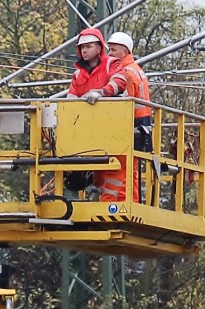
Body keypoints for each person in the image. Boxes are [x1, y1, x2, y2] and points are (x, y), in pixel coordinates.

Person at [65, 28, 127, 199]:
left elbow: (120, 82)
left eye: (89, 46)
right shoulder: (78, 74)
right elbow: (71, 97)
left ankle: (111, 204)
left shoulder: (111, 64)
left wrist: (101, 92)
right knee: (97, 174)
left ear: (99, 48)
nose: (84, 50)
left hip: (113, 130)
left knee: (113, 173)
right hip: (88, 132)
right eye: (82, 47)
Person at [104, 31, 153, 202]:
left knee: (119, 169)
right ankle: (131, 201)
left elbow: (121, 102)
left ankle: (118, 203)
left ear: (125, 51)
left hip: (129, 126)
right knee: (131, 169)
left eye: (113, 50)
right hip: (142, 126)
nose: (110, 54)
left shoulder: (125, 72)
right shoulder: (136, 70)